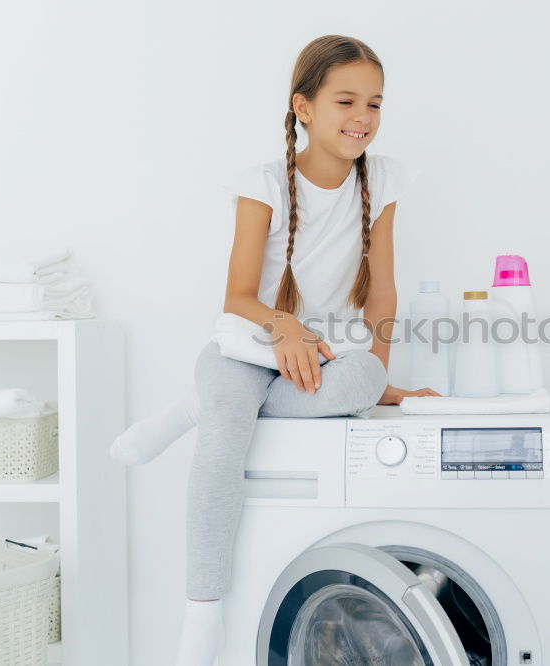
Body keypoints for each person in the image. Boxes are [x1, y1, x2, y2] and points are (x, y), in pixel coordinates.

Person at [112, 35, 439, 666]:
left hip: (320, 358)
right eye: (346, 100)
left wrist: (379, 377)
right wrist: (286, 327)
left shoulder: (386, 180)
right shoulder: (263, 184)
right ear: (304, 106)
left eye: (374, 104)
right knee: (228, 430)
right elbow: (237, 295)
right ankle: (202, 611)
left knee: (359, 383)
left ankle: (198, 405)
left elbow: (384, 294)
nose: (362, 118)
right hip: (247, 346)